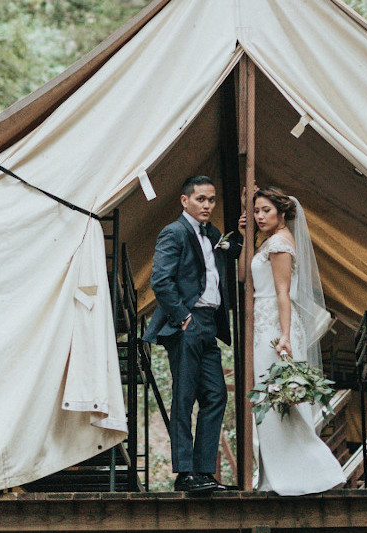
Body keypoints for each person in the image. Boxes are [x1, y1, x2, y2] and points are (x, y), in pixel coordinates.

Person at [239, 186, 346, 496]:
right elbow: (244, 277)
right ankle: (276, 475)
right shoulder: (267, 242)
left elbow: (284, 293)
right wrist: (244, 233)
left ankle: (310, 472)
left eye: (265, 211)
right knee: (268, 401)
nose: (259, 216)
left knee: (279, 399)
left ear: (282, 213)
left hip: (275, 327)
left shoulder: (280, 244)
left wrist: (284, 336)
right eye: (256, 210)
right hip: (265, 324)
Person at [144, 175, 242, 494]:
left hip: (210, 324)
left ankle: (203, 471)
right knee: (184, 397)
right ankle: (184, 473)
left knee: (216, 395)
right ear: (185, 201)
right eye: (201, 199)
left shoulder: (212, 233)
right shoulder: (174, 232)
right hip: (186, 323)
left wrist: (240, 234)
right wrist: (183, 315)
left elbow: (223, 261)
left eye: (211, 199)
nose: (207, 205)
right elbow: (160, 280)